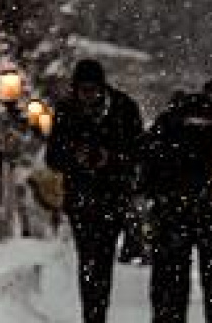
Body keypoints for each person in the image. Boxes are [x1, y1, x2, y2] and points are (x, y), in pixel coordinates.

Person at [45, 58, 144, 323]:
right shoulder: (66, 111)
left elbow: (139, 153)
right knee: (88, 258)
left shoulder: (124, 108)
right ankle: (92, 314)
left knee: (103, 258)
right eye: (83, 90)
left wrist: (110, 158)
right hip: (81, 198)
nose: (88, 95)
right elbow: (52, 157)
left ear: (102, 87)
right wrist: (74, 156)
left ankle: (98, 312)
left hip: (112, 197)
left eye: (92, 90)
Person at [139, 91, 212, 323]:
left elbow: (146, 176)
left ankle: (169, 316)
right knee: (211, 279)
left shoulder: (164, 134)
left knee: (173, 280)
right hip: (206, 213)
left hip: (173, 214)